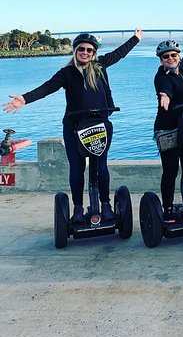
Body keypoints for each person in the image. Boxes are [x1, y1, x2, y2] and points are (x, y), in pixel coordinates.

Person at [2, 29, 144, 223]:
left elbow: (119, 53)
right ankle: (77, 208)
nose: (85, 52)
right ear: (76, 51)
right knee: (76, 168)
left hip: (99, 125)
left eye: (89, 50)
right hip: (74, 127)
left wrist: (135, 39)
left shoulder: (100, 67)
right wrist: (25, 99)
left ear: (94, 53)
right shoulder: (66, 73)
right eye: (81, 49)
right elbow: (47, 87)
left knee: (101, 167)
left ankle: (106, 205)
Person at [153, 38, 183, 219]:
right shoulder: (162, 76)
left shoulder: (182, 70)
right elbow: (164, 88)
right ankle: (168, 208)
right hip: (168, 130)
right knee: (171, 170)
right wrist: (164, 96)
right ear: (161, 59)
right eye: (166, 57)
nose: (170, 58)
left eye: (173, 55)